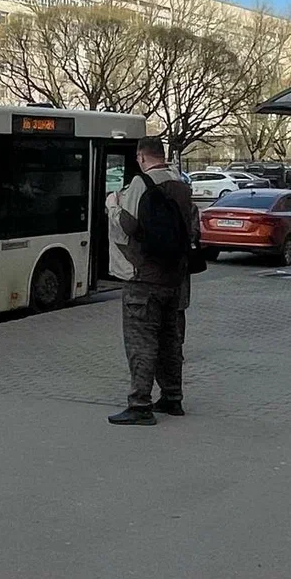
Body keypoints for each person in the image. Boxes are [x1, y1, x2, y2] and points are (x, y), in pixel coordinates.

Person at [106, 136, 199, 426]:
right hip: (175, 278)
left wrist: (113, 207)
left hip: (143, 277)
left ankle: (139, 404)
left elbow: (130, 225)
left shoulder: (140, 184)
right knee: (170, 341)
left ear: (141, 157)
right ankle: (173, 398)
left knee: (141, 341)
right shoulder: (183, 186)